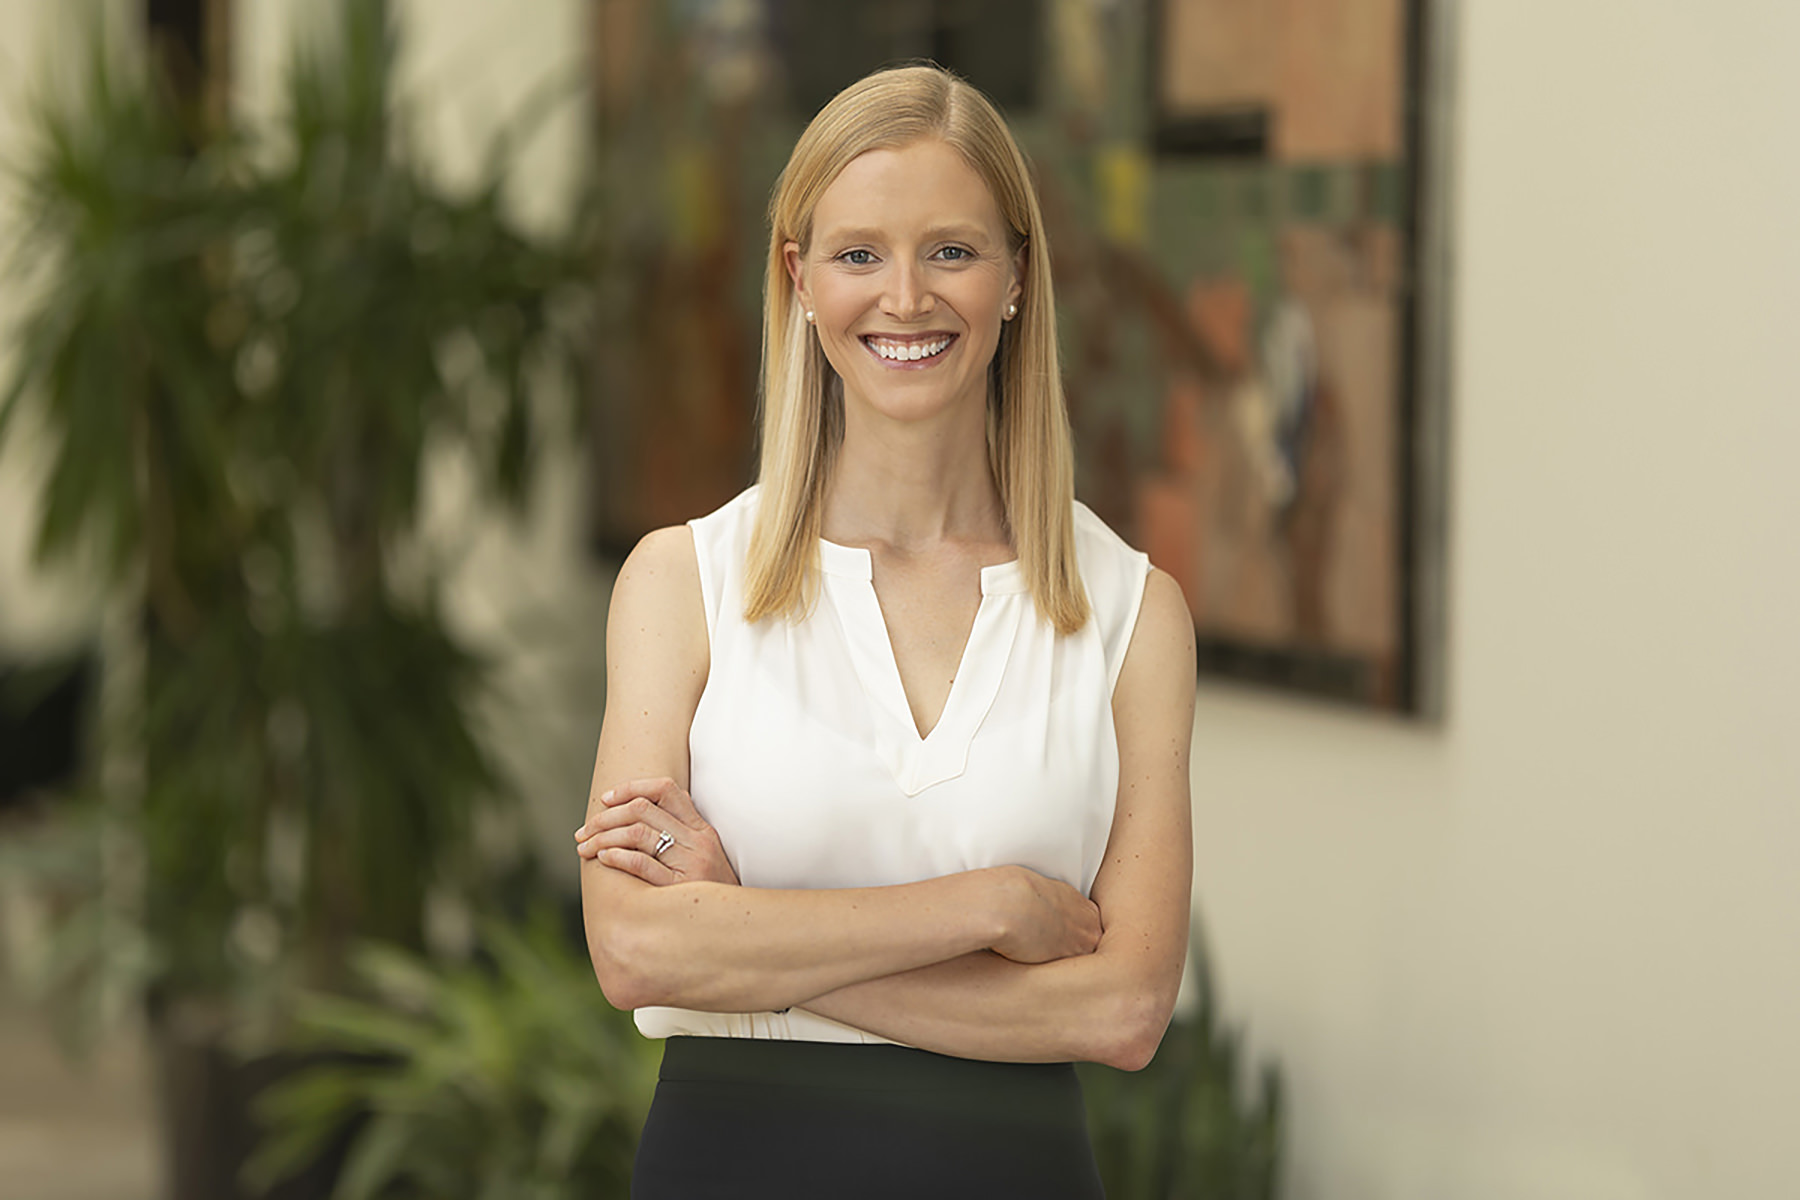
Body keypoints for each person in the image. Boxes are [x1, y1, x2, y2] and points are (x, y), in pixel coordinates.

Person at [574, 63, 1196, 1199]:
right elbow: (636, 951)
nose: (904, 297)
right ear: (799, 280)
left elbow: (1123, 1008)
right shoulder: (683, 585)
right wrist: (987, 908)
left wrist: (750, 937)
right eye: (860, 254)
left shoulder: (1128, 613)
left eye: (951, 251)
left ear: (1015, 275)